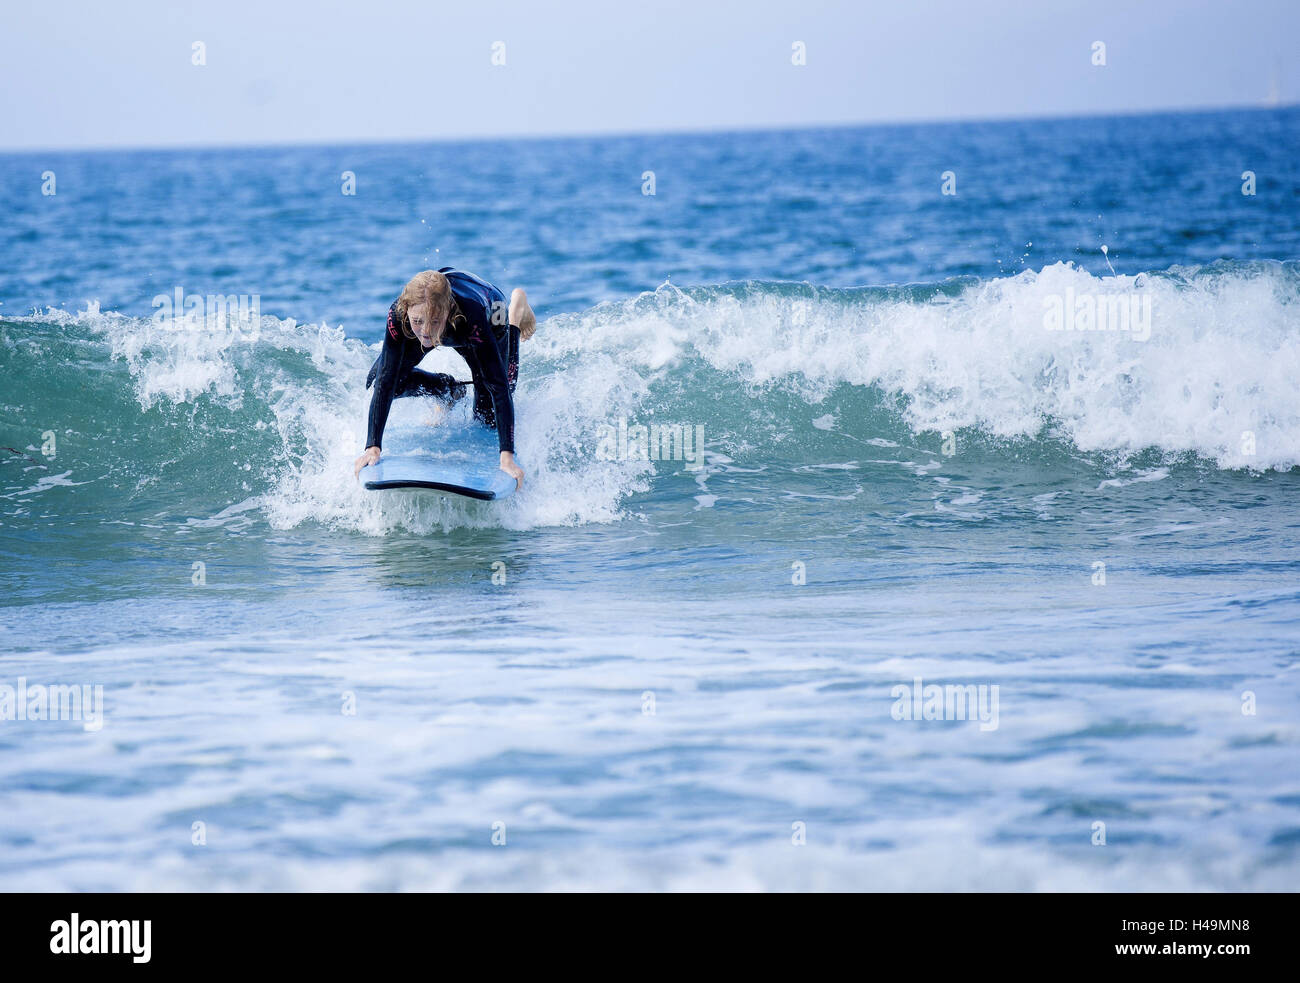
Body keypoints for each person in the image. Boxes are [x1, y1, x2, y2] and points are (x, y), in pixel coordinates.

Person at [353, 268, 536, 486]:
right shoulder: (399, 315)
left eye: (434, 321)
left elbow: (499, 386)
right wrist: (372, 447)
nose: (426, 331)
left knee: (488, 416)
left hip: (489, 317)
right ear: (406, 310)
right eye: (418, 321)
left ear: (448, 312)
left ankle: (516, 313)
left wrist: (507, 458)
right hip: (441, 307)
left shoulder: (472, 316)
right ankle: (447, 390)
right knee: (379, 381)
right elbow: (385, 381)